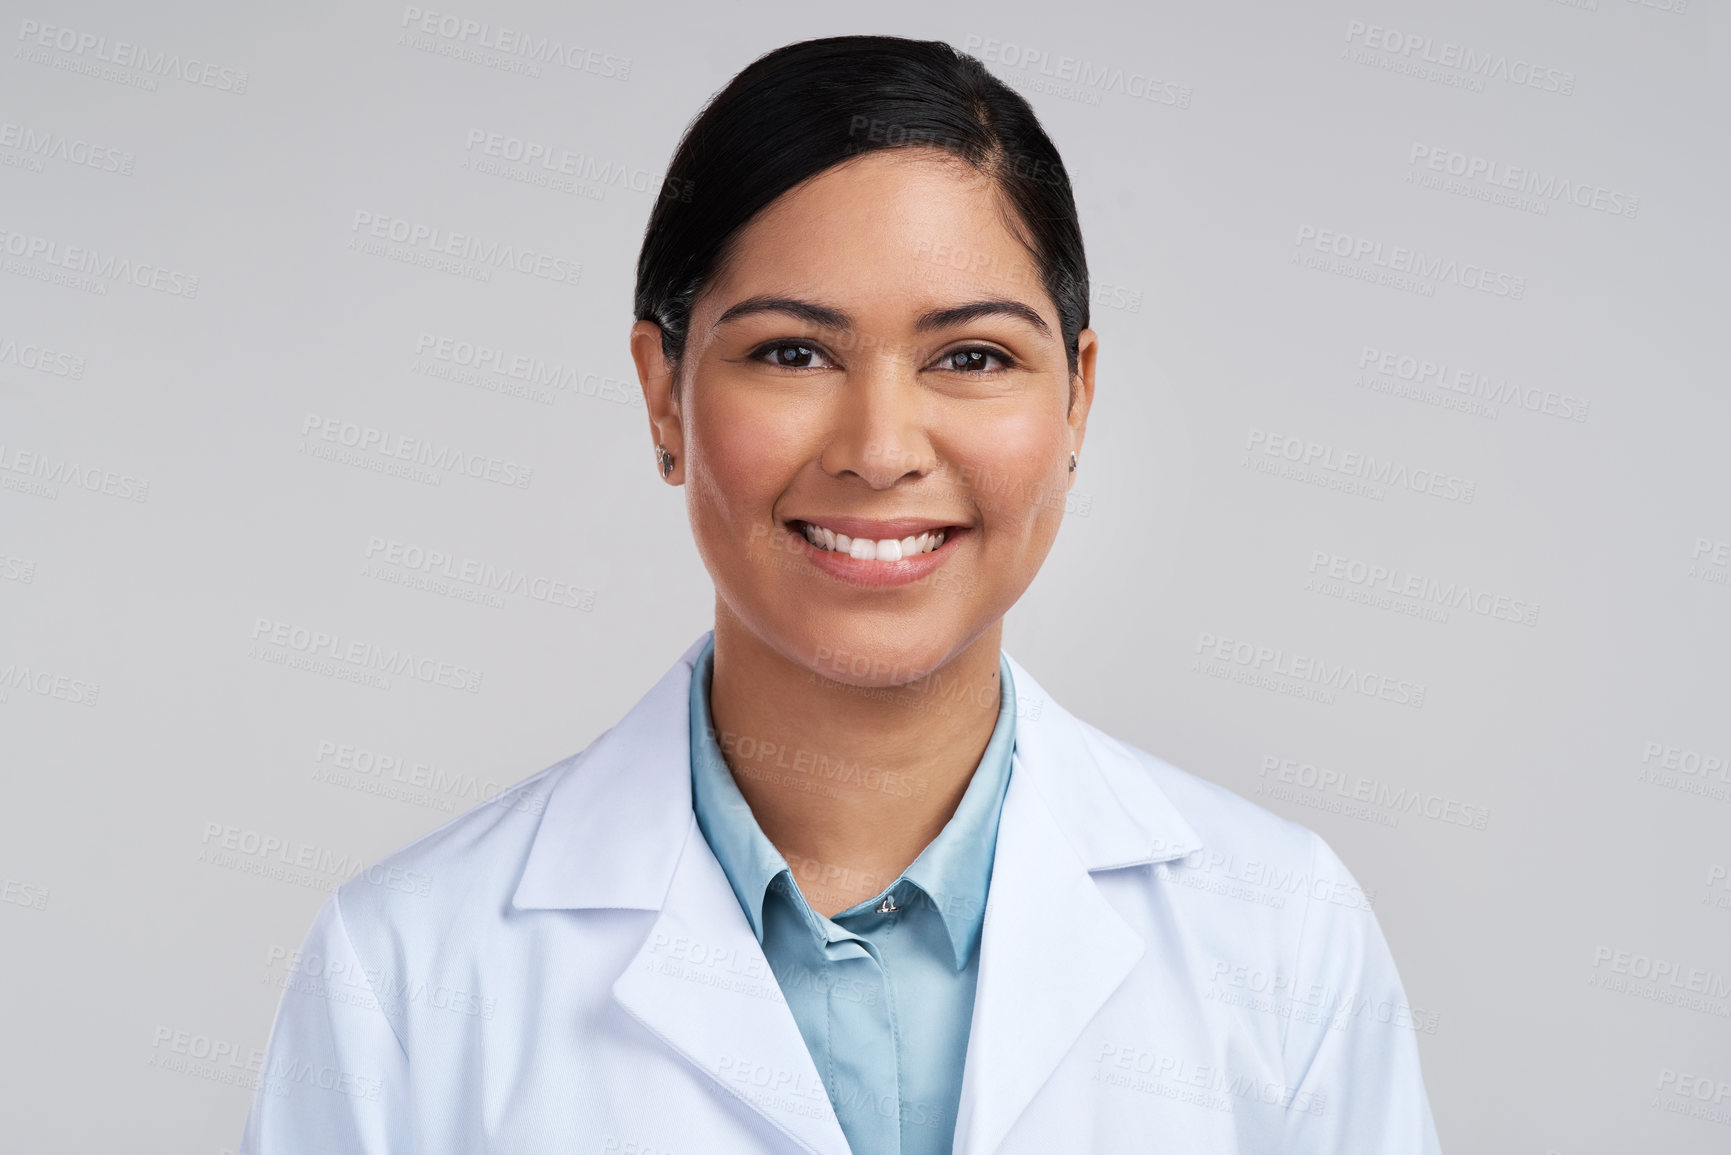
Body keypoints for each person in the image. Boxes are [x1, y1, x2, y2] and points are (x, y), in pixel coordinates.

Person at [241, 34, 1442, 1154]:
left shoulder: (1283, 941)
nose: (880, 448)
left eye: (971, 357)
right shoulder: (405, 975)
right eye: (792, 352)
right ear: (664, 396)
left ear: (1076, 400)